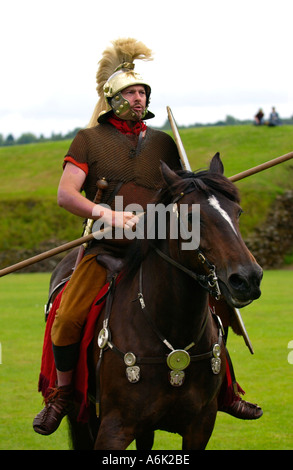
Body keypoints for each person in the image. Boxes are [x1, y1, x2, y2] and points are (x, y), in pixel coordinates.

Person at [33, 38, 262, 436]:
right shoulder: (89, 140)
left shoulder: (163, 142)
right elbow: (65, 194)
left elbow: (181, 191)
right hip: (106, 245)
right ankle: (63, 395)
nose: (139, 98)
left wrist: (205, 188)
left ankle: (224, 390)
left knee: (215, 306)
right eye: (132, 92)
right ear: (113, 99)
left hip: (160, 242)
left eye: (143, 92)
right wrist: (108, 214)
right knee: (67, 318)